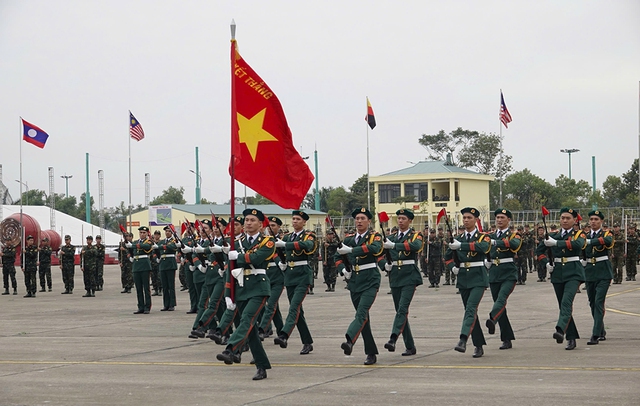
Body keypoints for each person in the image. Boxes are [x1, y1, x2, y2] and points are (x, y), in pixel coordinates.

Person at [216, 208, 274, 381]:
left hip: (259, 287)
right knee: (251, 331)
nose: (248, 223)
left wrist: (238, 256)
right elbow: (230, 269)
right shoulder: (236, 242)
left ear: (260, 224)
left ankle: (230, 349)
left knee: (247, 318)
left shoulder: (267, 241)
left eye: (252, 220)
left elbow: (256, 258)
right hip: (240, 287)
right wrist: (228, 293)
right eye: (246, 220)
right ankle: (262, 366)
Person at [335, 207, 384, 365]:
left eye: (363, 218)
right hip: (355, 281)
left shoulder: (374, 236)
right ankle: (371, 352)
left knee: (361, 313)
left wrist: (352, 250)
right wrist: (343, 270)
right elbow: (337, 255)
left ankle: (349, 340)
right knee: (364, 320)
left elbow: (375, 249)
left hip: (370, 280)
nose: (359, 221)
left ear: (369, 221)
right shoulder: (349, 239)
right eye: (357, 218)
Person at [536, 207, 586, 350]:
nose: (565, 220)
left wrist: (556, 244)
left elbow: (578, 245)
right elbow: (539, 251)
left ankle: (560, 330)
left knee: (566, 302)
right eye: (562, 218)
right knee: (563, 305)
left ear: (574, 220)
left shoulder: (579, 234)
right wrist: (546, 263)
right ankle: (571, 337)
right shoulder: (553, 235)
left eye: (568, 218)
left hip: (574, 273)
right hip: (557, 273)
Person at [445, 207, 490, 358]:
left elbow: (484, 247)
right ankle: (478, 345)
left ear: (476, 220)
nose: (465, 220)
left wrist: (461, 246)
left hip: (478, 277)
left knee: (471, 309)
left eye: (469, 217)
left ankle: (463, 339)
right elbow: (447, 257)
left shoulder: (482, 236)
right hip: (463, 278)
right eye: (464, 217)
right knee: (471, 312)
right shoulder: (458, 238)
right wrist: (453, 268)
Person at [273, 210, 317, 356]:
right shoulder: (287, 237)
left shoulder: (309, 235)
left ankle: (284, 335)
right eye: (293, 219)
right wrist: (280, 262)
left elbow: (308, 246)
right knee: (298, 312)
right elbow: (275, 251)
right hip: (290, 276)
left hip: (303, 276)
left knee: (294, 307)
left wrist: (286, 244)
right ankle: (307, 342)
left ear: (304, 222)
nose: (295, 221)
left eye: (298, 219)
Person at [382, 208, 423, 356]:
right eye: (399, 218)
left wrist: (394, 246)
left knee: (402, 309)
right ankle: (410, 346)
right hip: (395, 277)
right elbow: (380, 255)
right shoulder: (391, 237)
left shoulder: (415, 235)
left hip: (409, 276)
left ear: (410, 221)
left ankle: (393, 338)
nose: (400, 221)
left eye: (404, 219)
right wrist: (384, 265)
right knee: (400, 312)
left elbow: (415, 246)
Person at [485, 208, 521, 350]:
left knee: (501, 299)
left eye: (502, 217)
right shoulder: (490, 235)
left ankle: (492, 318)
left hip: (508, 274)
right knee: (501, 307)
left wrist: (495, 243)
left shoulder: (514, 235)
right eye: (498, 217)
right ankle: (506, 338)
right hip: (494, 273)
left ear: (509, 220)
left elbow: (514, 245)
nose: (499, 220)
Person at [582, 210, 613, 345]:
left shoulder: (606, 233)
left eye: (596, 219)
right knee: (592, 303)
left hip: (603, 272)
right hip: (589, 272)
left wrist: (589, 241)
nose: (593, 221)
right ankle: (601, 330)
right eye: (591, 219)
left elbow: (608, 241)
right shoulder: (585, 236)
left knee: (599, 302)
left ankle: (595, 335)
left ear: (601, 222)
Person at [258, 216, 286, 339]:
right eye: (268, 225)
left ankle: (262, 330)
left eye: (273, 226)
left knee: (270, 304)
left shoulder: (282, 242)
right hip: (265, 276)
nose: (270, 228)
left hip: (278, 277)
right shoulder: (262, 241)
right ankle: (280, 331)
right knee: (273, 306)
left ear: (279, 228)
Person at [127, 226, 153, 314]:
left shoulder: (148, 241)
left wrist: (133, 246)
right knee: (138, 288)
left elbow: (146, 247)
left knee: (146, 288)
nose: (142, 234)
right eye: (141, 233)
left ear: (147, 234)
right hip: (136, 266)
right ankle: (140, 306)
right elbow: (130, 251)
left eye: (144, 233)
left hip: (145, 266)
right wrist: (130, 256)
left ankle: (147, 307)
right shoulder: (135, 242)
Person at [158, 225, 180, 311]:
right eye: (166, 231)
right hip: (163, 264)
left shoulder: (174, 241)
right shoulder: (162, 241)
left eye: (169, 231)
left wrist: (161, 247)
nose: (167, 232)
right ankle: (166, 304)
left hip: (170, 264)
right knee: (164, 286)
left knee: (171, 285)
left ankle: (172, 304)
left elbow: (172, 247)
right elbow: (157, 249)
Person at [180, 222, 199, 314]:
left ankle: (200, 306)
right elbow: (181, 250)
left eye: (190, 228)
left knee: (197, 286)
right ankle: (193, 306)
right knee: (191, 286)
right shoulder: (183, 239)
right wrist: (182, 258)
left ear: (194, 229)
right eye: (187, 228)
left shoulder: (197, 238)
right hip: (188, 263)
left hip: (197, 263)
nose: (188, 229)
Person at [150, 230, 163, 296]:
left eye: (158, 235)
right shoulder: (151, 243)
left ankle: (160, 289)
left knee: (159, 276)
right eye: (155, 235)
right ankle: (155, 290)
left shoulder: (161, 243)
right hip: (152, 262)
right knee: (153, 276)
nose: (156, 236)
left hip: (159, 261)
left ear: (160, 236)